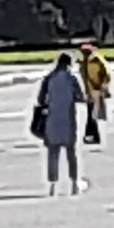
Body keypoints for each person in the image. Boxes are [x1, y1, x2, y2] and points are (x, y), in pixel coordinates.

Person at [35, 53, 86, 196]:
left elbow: (41, 100)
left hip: (52, 120)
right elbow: (80, 97)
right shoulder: (71, 79)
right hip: (68, 120)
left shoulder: (48, 79)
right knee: (71, 153)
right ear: (69, 64)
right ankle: (75, 184)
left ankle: (52, 185)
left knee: (53, 153)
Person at [77, 40, 112, 145]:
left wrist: (103, 86)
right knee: (91, 114)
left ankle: (91, 135)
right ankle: (93, 136)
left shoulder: (97, 61)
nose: (84, 54)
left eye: (86, 52)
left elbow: (107, 74)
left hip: (96, 90)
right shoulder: (83, 63)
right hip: (89, 91)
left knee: (92, 114)